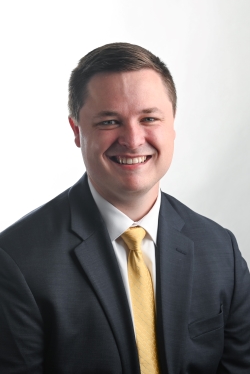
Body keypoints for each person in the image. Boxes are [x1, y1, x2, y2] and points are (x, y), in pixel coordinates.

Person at [0, 43, 250, 374]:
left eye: (149, 117)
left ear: (172, 124)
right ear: (77, 131)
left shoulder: (221, 250)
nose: (132, 140)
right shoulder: (18, 260)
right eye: (109, 121)